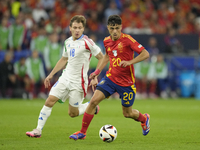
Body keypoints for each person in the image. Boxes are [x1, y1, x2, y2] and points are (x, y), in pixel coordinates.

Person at [69, 15, 150, 140]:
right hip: (110, 79)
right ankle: (82, 132)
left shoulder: (128, 40)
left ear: (121, 27)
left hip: (126, 83)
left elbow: (145, 54)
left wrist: (130, 62)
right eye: (112, 28)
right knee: (93, 101)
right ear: (108, 28)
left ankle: (144, 119)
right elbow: (107, 56)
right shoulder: (106, 41)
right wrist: (97, 71)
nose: (115, 31)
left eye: (117, 28)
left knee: (127, 113)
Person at [26, 15, 104, 138]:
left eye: (79, 28)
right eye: (75, 27)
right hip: (65, 78)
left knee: (72, 113)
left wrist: (95, 75)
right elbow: (64, 59)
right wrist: (51, 75)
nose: (77, 30)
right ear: (70, 28)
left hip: (79, 82)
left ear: (83, 29)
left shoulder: (88, 42)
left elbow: (101, 57)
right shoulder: (67, 42)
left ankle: (91, 107)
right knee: (49, 100)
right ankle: (38, 130)